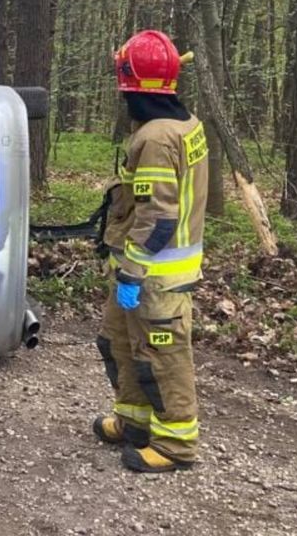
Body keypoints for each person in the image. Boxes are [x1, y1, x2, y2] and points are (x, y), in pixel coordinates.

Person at [92, 30, 208, 473]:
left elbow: (158, 215)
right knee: (120, 344)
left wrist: (133, 270)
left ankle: (176, 444)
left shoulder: (157, 138)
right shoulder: (179, 123)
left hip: (155, 275)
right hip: (138, 268)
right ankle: (134, 422)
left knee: (162, 357)